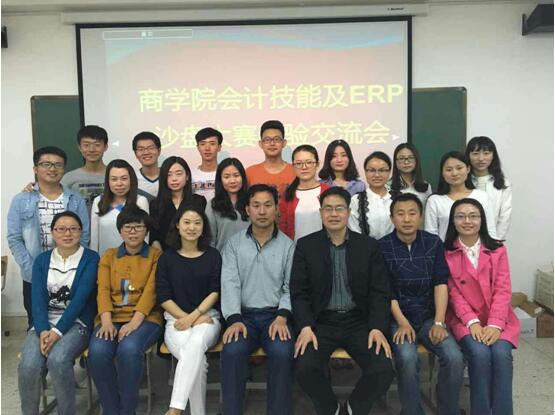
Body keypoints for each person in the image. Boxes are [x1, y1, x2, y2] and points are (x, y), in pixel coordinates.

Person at [291, 186, 394, 415]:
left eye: (339, 208)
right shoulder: (306, 246)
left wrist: (377, 327)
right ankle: (330, 407)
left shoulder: (368, 246)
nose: (334, 214)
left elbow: (380, 292)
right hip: (321, 323)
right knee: (304, 367)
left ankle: (354, 407)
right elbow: (299, 292)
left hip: (358, 322)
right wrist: (305, 326)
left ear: (348, 212)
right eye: (328, 209)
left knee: (383, 368)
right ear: (321, 213)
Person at [378, 193, 464, 415]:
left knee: (454, 357)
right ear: (392, 218)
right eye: (400, 214)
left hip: (429, 317)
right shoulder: (382, 246)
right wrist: (402, 322)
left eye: (412, 213)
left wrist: (439, 322)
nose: (407, 219)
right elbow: (385, 290)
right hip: (398, 318)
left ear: (420, 216)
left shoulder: (433, 243)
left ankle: (448, 411)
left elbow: (440, 283)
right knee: (407, 358)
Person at [220, 184, 295, 415]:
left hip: (276, 316)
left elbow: (291, 287)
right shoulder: (234, 244)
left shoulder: (288, 246)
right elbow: (229, 283)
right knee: (232, 351)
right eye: (256, 205)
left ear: (276, 209)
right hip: (243, 317)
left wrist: (282, 316)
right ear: (247, 209)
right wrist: (234, 319)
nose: (262, 211)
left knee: (282, 352)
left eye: (268, 205)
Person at [18, 211, 99, 415]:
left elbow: (80, 300)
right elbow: (37, 299)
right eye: (61, 229)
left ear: (81, 232)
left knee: (58, 359)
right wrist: (43, 330)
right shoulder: (42, 260)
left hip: (77, 323)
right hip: (44, 324)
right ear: (53, 232)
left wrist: (57, 332)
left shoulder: (91, 258)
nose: (67, 233)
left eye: (73, 229)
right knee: (28, 364)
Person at [444, 198, 519, 415]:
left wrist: (495, 324)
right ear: (453, 221)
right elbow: (453, 293)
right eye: (460, 216)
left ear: (482, 220)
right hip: (464, 319)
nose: (467, 221)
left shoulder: (498, 249)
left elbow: (503, 290)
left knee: (501, 354)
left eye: (473, 216)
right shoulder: (446, 252)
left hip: (499, 318)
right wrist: (472, 322)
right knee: (480, 354)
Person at [88, 205, 162, 415]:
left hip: (145, 319)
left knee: (128, 350)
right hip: (110, 317)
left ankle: (127, 410)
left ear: (146, 231)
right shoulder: (109, 256)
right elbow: (102, 289)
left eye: (138, 227)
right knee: (98, 352)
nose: (133, 232)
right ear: (120, 231)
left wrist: (134, 322)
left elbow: (151, 291)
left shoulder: (156, 256)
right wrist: (106, 321)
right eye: (127, 227)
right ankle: (112, 410)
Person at [7, 146, 89, 329]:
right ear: (36, 169)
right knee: (36, 325)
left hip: (70, 274)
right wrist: (32, 270)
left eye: (58, 165)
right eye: (46, 164)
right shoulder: (21, 200)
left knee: (71, 324)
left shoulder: (75, 199)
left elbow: (84, 236)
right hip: (34, 275)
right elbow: (14, 238)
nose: (52, 169)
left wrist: (75, 267)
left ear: (64, 169)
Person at [156, 203, 221, 415]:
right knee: (196, 361)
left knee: (195, 344)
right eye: (187, 222)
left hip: (208, 319)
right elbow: (163, 297)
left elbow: (215, 291)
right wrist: (188, 319)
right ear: (177, 225)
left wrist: (194, 317)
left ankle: (175, 409)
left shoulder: (213, 255)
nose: (192, 227)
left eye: (197, 223)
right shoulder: (166, 258)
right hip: (175, 320)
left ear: (203, 227)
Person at [425, 151, 497, 241]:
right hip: (445, 249)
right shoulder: (434, 200)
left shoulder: (482, 196)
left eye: (459, 168)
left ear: (468, 169)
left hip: (478, 249)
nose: (454, 173)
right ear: (442, 173)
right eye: (449, 170)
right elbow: (430, 235)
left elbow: (490, 230)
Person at [90, 159, 150, 256]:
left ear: (131, 180)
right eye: (114, 179)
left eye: (124, 178)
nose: (119, 184)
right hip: (105, 261)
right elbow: (94, 239)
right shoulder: (98, 201)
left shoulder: (140, 201)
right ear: (108, 181)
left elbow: (145, 237)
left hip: (134, 260)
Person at [149, 157, 206, 252]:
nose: (174, 179)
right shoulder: (155, 204)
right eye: (169, 175)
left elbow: (204, 231)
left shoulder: (198, 201)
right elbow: (154, 235)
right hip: (164, 255)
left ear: (187, 176)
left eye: (179, 174)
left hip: (193, 253)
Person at [279, 144, 330, 241]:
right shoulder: (288, 194)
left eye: (309, 162)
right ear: (293, 166)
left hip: (325, 247)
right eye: (299, 163)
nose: (304, 167)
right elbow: (283, 227)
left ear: (317, 164)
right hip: (296, 247)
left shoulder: (328, 191)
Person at [466, 136, 512, 240]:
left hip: (492, 238)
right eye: (475, 154)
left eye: (486, 153)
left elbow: (505, 215)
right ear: (468, 156)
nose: (481, 158)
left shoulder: (503, 183)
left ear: (493, 156)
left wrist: (496, 240)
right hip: (464, 237)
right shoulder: (462, 181)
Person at [59, 125, 109, 212]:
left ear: (105, 147)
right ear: (79, 147)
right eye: (86, 145)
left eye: (97, 145)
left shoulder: (114, 175)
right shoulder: (69, 178)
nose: (92, 149)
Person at [205, 158, 250, 251]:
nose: (232, 181)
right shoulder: (213, 205)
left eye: (236, 175)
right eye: (226, 177)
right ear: (220, 180)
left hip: (251, 257)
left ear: (243, 177)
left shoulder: (252, 202)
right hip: (222, 257)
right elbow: (209, 240)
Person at [348, 151, 394, 239]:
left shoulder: (398, 198)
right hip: (365, 247)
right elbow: (355, 234)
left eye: (382, 170)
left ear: (389, 172)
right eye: (372, 170)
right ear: (365, 172)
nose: (377, 175)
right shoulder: (356, 200)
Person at [245, 120, 296, 196]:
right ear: (261, 144)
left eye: (276, 139)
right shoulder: (250, 173)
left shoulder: (295, 171)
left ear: (284, 143)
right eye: (267, 140)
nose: (272, 143)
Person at [190, 127, 223, 201]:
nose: (207, 148)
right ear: (198, 147)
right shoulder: (190, 175)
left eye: (212, 144)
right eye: (203, 144)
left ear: (219, 147)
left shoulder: (225, 174)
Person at [133, 131, 162, 199]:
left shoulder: (169, 176)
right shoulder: (132, 180)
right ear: (135, 153)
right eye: (141, 149)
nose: (146, 152)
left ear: (159, 151)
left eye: (151, 148)